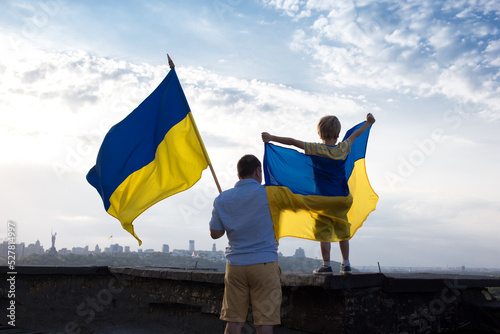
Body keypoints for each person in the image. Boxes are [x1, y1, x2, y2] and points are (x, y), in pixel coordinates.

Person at [261, 113, 375, 275]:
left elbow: (293, 142)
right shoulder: (343, 148)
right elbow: (356, 134)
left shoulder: (315, 148)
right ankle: (346, 264)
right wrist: (368, 122)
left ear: (319, 134)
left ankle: (326, 265)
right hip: (342, 199)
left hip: (322, 199)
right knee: (343, 230)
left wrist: (272, 138)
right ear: (337, 134)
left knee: (323, 232)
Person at [210, 154, 282, 334]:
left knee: (233, 322)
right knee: (264, 321)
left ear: (238, 174)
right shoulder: (271, 194)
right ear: (258, 171)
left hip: (235, 266)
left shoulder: (222, 199)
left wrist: (229, 217)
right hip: (264, 264)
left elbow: (215, 234)